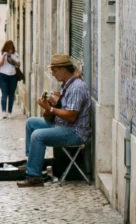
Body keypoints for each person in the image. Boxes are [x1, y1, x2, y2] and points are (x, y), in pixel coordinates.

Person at [17, 54, 91, 188]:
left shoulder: (76, 87)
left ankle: (34, 176)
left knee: (38, 136)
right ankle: (32, 162)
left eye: (54, 70)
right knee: (31, 123)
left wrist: (51, 109)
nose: (52, 74)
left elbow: (71, 115)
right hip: (63, 125)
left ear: (63, 69)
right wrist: (51, 104)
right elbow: (61, 113)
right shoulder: (66, 85)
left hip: (75, 131)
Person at [0, 40, 20, 118]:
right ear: (6, 47)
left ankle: (10, 111)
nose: (11, 50)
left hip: (13, 76)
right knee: (4, 94)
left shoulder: (15, 54)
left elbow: (18, 65)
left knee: (11, 94)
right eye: (9, 48)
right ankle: (3, 112)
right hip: (3, 76)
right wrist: (3, 57)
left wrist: (12, 59)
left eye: (12, 48)